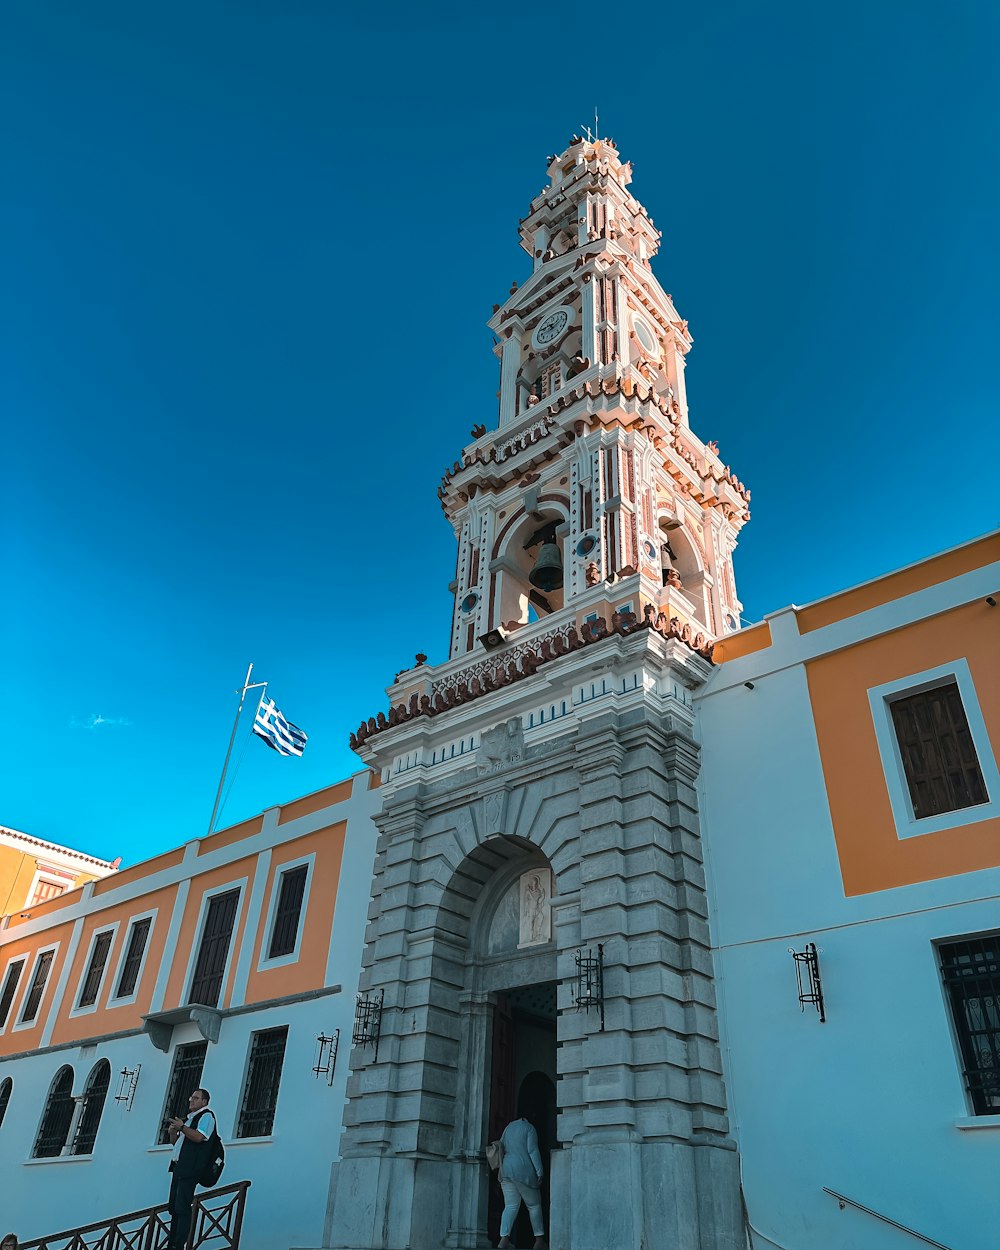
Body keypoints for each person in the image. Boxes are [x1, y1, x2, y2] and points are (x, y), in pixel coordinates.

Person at [166, 1087, 216, 1250]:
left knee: (182, 1206)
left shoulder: (207, 1116)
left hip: (191, 1168)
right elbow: (178, 1144)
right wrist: (173, 1132)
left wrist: (182, 1128)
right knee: (173, 1207)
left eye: (195, 1098)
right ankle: (172, 1243)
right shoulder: (188, 1119)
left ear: (204, 1101)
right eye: (191, 1097)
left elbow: (200, 1137)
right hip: (179, 1167)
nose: (191, 1100)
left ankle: (179, 1245)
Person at [497, 1115, 546, 1250]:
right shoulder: (529, 1128)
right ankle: (539, 1241)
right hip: (523, 1171)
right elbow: (532, 1150)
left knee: (510, 1206)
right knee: (534, 1205)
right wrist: (539, 1171)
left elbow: (501, 1146)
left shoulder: (508, 1128)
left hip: (506, 1170)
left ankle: (504, 1239)